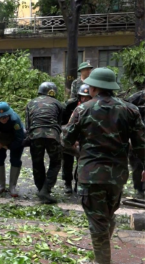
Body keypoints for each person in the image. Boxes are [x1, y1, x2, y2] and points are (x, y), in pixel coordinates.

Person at [63, 68, 145, 264]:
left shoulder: (82, 109)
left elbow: (65, 140)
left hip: (90, 176)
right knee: (106, 218)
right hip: (117, 176)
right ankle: (101, 257)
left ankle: (102, 262)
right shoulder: (130, 110)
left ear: (94, 88)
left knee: (98, 225)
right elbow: (141, 145)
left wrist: (80, 152)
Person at [25, 82, 63, 204]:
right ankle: (45, 190)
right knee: (55, 162)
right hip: (53, 136)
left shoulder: (30, 103)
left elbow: (28, 125)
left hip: (35, 135)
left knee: (37, 162)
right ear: (52, 92)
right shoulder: (58, 104)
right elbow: (60, 123)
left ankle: (41, 188)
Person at [0, 102, 26, 197]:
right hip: (0, 141)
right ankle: (1, 185)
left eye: (5, 117)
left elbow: (20, 139)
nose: (4, 119)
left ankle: (12, 186)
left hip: (14, 141)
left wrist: (7, 146)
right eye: (1, 117)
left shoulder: (15, 120)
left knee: (15, 160)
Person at [62, 84, 92, 194]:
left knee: (82, 162)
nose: (84, 99)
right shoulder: (70, 105)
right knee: (67, 161)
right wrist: (71, 138)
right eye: (82, 96)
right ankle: (67, 183)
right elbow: (62, 123)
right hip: (68, 136)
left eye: (87, 97)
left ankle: (78, 183)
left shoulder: (92, 107)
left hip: (84, 138)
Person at [126, 82, 145, 198]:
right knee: (137, 165)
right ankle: (139, 189)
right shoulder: (137, 98)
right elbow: (125, 110)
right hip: (138, 136)